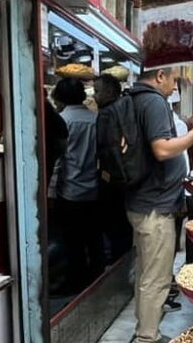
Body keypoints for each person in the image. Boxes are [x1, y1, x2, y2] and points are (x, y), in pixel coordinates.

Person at [126, 67, 193, 343]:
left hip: (145, 201)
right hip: (154, 206)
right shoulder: (152, 102)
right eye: (174, 81)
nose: (174, 87)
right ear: (161, 75)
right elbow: (163, 149)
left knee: (147, 276)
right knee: (156, 280)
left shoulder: (137, 98)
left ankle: (149, 336)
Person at [52, 78, 104, 293]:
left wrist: (50, 190)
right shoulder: (95, 120)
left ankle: (76, 282)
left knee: (73, 241)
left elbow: (57, 160)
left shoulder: (62, 120)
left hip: (70, 190)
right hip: (94, 189)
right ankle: (98, 279)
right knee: (94, 237)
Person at [93, 74, 133, 264]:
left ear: (109, 92)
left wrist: (115, 178)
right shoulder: (124, 108)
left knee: (115, 228)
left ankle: (116, 269)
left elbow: (110, 149)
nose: (94, 96)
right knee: (122, 230)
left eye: (97, 91)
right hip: (122, 181)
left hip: (113, 181)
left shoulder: (107, 113)